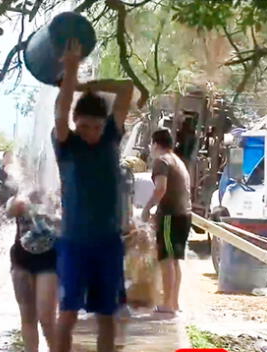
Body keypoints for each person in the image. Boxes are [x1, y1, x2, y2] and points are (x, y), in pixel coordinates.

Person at [52, 39, 136, 352]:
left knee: (106, 316)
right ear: (76, 124)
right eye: (84, 126)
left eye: (96, 127)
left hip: (108, 243)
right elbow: (61, 115)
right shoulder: (66, 144)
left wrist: (86, 86)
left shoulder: (111, 138)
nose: (90, 133)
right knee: (68, 313)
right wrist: (70, 75)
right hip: (74, 243)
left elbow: (126, 88)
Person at [141, 129, 191, 315]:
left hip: (171, 215)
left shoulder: (162, 161)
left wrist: (148, 208)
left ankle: (167, 304)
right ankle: (174, 303)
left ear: (155, 143)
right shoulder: (177, 161)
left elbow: (160, 189)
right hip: (184, 214)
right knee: (175, 259)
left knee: (166, 259)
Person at [7, 191, 58, 352]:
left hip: (50, 260)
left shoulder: (56, 189)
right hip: (21, 260)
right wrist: (17, 203)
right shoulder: (23, 192)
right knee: (28, 317)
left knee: (46, 318)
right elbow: (10, 212)